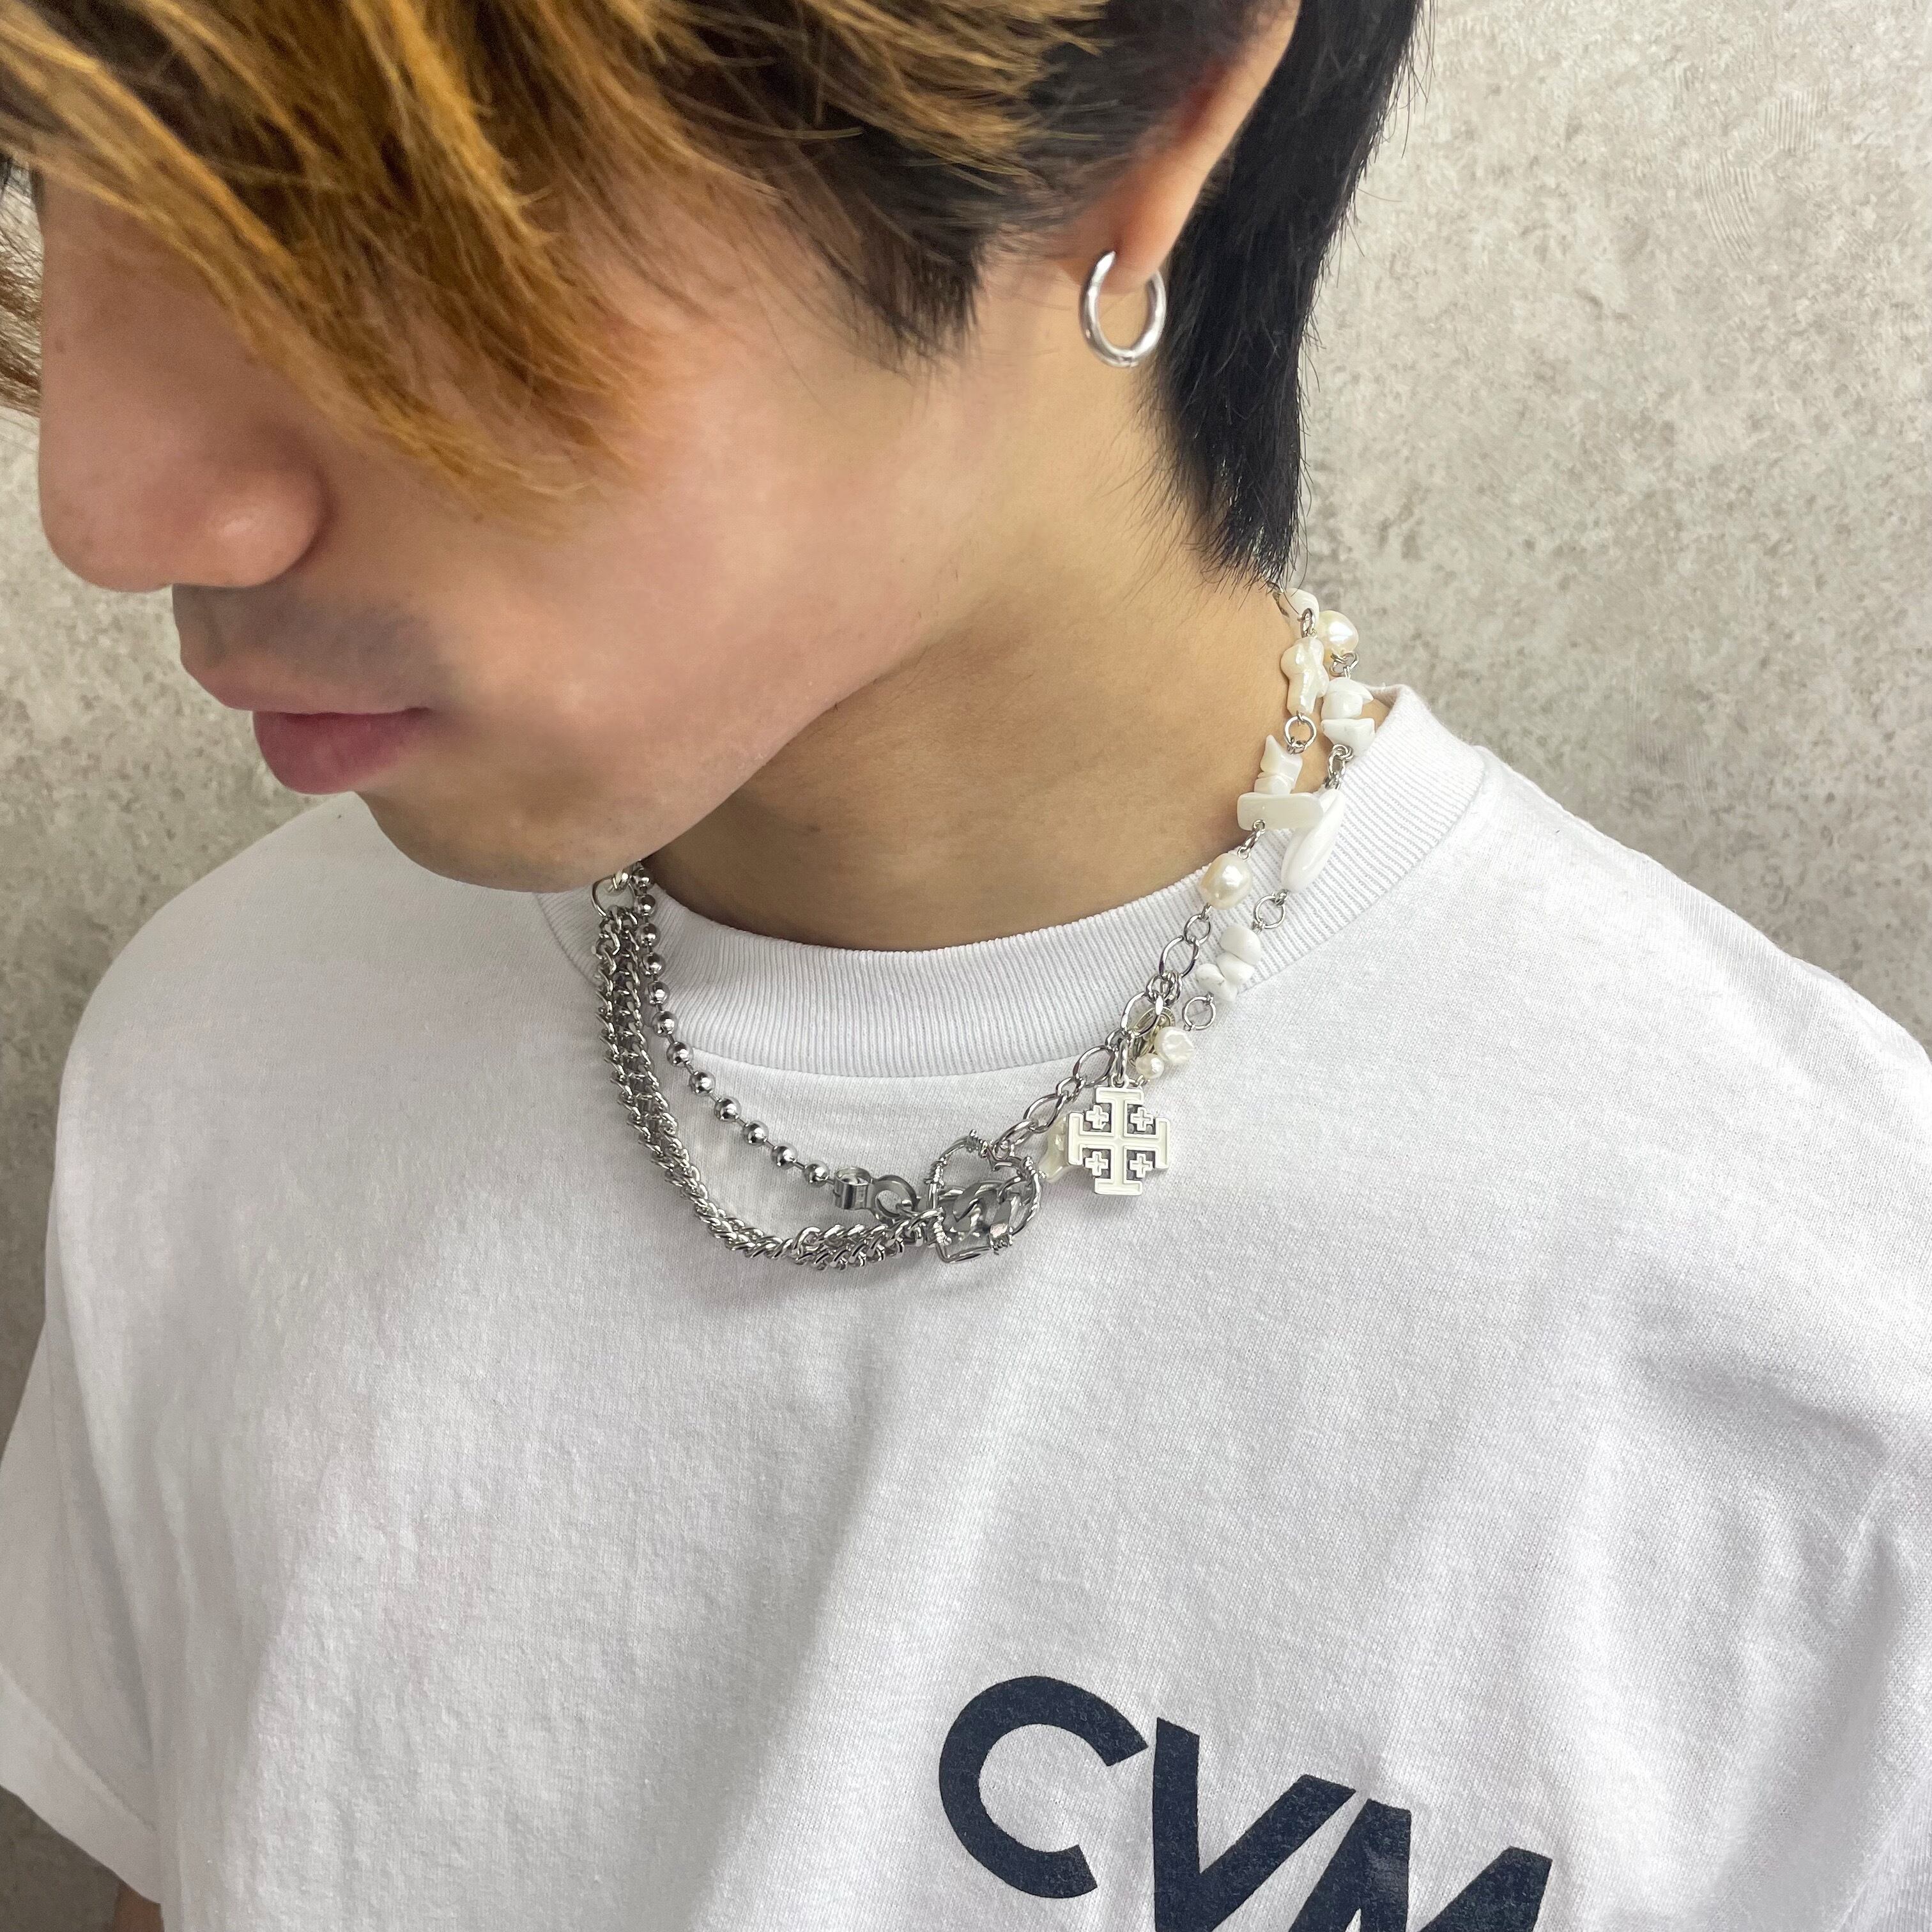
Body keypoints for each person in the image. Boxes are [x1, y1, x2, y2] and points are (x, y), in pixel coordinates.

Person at [0, 0, 1926, 1926]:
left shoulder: (1818, 1390)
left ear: (1143, 113)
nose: (101, 503)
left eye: (384, 197)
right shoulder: (226, 1048)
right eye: (51, 171)